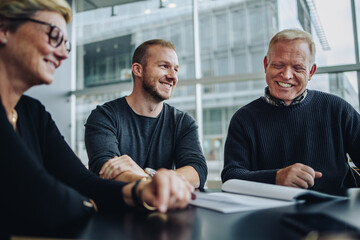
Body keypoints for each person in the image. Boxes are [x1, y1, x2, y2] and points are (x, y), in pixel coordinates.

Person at [0, 0, 194, 238]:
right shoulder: (104, 115)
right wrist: (89, 203)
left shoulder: (34, 113)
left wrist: (143, 187)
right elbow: (43, 197)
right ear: (4, 29)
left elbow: (84, 181)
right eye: (53, 36)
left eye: (66, 44)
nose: (62, 54)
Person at [222, 29, 360, 193]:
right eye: (278, 65)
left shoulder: (337, 109)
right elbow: (231, 176)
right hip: (270, 214)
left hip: (338, 210)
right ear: (266, 65)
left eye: (298, 68)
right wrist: (275, 178)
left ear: (311, 72)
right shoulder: (244, 119)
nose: (286, 75)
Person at [85, 39, 208, 188]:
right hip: (115, 209)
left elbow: (197, 171)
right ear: (138, 70)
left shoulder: (183, 122)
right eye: (164, 66)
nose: (173, 76)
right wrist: (161, 181)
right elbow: (106, 170)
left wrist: (150, 177)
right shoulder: (104, 116)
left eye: (175, 69)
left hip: (165, 209)